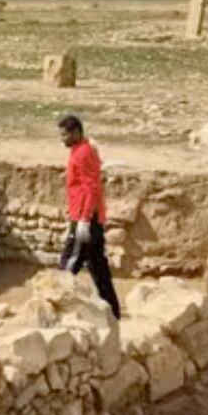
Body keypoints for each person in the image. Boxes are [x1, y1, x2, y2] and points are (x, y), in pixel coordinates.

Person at [58, 114, 121, 318]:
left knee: (68, 265)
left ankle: (54, 307)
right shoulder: (83, 150)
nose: (62, 139)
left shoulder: (82, 153)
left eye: (65, 134)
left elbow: (92, 188)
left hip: (85, 218)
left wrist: (84, 219)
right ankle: (113, 313)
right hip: (90, 216)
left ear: (76, 132)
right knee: (98, 269)